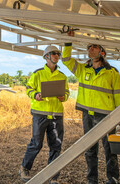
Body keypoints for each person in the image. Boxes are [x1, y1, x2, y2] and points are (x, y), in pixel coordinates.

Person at [62, 30, 120, 184]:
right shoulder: (82, 69)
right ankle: (92, 180)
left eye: (94, 46)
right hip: (87, 115)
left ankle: (113, 179)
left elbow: (119, 97)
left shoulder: (112, 73)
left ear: (102, 52)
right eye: (89, 46)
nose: (90, 49)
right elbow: (65, 59)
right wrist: (67, 42)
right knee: (90, 149)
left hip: (106, 116)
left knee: (109, 149)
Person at [19, 45, 69, 183]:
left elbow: (66, 92)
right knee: (36, 144)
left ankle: (53, 177)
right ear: (46, 56)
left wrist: (63, 97)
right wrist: (36, 95)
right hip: (40, 114)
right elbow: (28, 88)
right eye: (54, 53)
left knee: (56, 145)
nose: (56, 56)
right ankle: (24, 168)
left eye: (58, 54)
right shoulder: (38, 73)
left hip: (56, 115)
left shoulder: (62, 76)